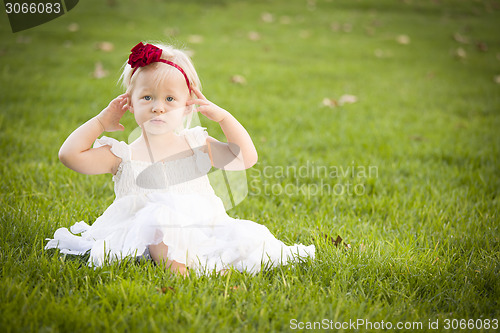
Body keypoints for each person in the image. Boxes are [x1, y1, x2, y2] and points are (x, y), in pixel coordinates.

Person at [44, 41, 315, 276]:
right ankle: (184, 273)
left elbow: (246, 158)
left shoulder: (196, 144)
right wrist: (102, 121)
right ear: (130, 102)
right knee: (161, 222)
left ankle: (210, 265)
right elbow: (69, 156)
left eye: (170, 99)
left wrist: (223, 117)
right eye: (147, 97)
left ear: (188, 105)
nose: (158, 107)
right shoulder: (123, 156)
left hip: (201, 229)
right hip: (146, 238)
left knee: (238, 241)